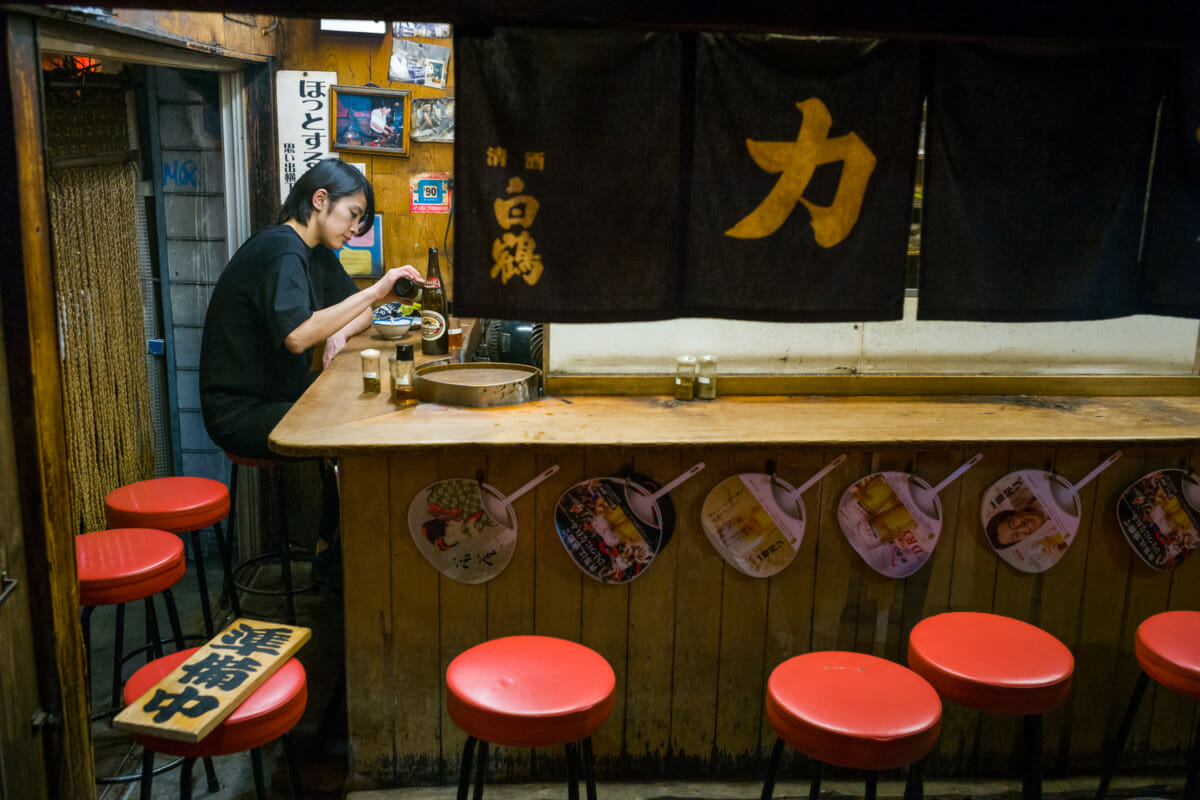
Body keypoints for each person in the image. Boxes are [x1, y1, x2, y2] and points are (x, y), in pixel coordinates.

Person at [200, 158, 422, 581]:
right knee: (350, 432)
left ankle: (336, 552)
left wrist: (339, 333)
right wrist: (376, 289)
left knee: (359, 411)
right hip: (241, 409)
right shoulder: (281, 249)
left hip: (279, 391)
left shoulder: (314, 252)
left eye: (360, 220)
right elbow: (299, 337)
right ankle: (338, 562)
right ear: (320, 200)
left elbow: (360, 309)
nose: (355, 229)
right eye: (353, 215)